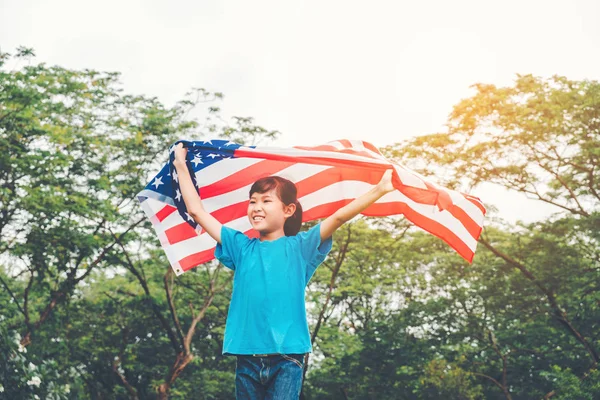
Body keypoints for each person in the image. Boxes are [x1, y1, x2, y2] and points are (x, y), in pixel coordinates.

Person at [173, 142, 394, 399]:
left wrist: (379, 190)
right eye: (253, 201)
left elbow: (338, 218)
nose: (257, 207)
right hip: (247, 356)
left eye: (267, 200)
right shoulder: (240, 247)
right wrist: (180, 164)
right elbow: (197, 211)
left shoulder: (301, 247)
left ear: (288, 210)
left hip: (288, 357)